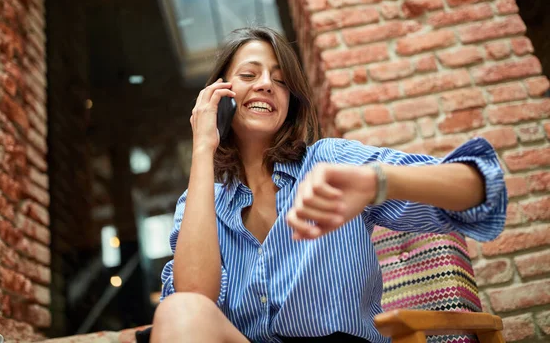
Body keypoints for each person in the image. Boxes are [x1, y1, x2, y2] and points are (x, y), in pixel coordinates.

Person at [150, 27, 507, 343]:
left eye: (281, 80)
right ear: (220, 96)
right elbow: (195, 297)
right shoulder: (200, 199)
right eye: (248, 74)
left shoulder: (330, 160)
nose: (265, 85)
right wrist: (202, 148)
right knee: (181, 312)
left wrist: (377, 182)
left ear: (290, 102)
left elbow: (479, 189)